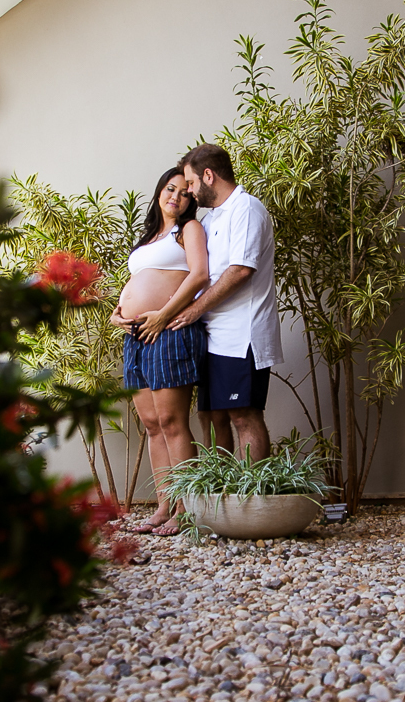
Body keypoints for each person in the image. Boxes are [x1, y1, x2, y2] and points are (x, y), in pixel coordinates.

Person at [110, 167, 209, 535]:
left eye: (184, 193)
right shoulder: (149, 237)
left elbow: (199, 275)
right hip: (135, 335)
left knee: (171, 422)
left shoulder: (189, 229)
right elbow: (139, 281)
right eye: (170, 189)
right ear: (159, 192)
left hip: (167, 331)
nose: (176, 197)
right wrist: (118, 312)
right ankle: (164, 505)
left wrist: (163, 314)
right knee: (152, 426)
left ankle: (185, 507)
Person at [169, 143, 282, 461]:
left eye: (191, 183)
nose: (190, 191)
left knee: (243, 416)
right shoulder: (210, 220)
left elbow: (240, 270)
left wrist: (193, 311)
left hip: (241, 335)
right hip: (212, 335)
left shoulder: (246, 209)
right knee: (213, 417)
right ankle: (223, 489)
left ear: (208, 176)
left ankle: (253, 490)